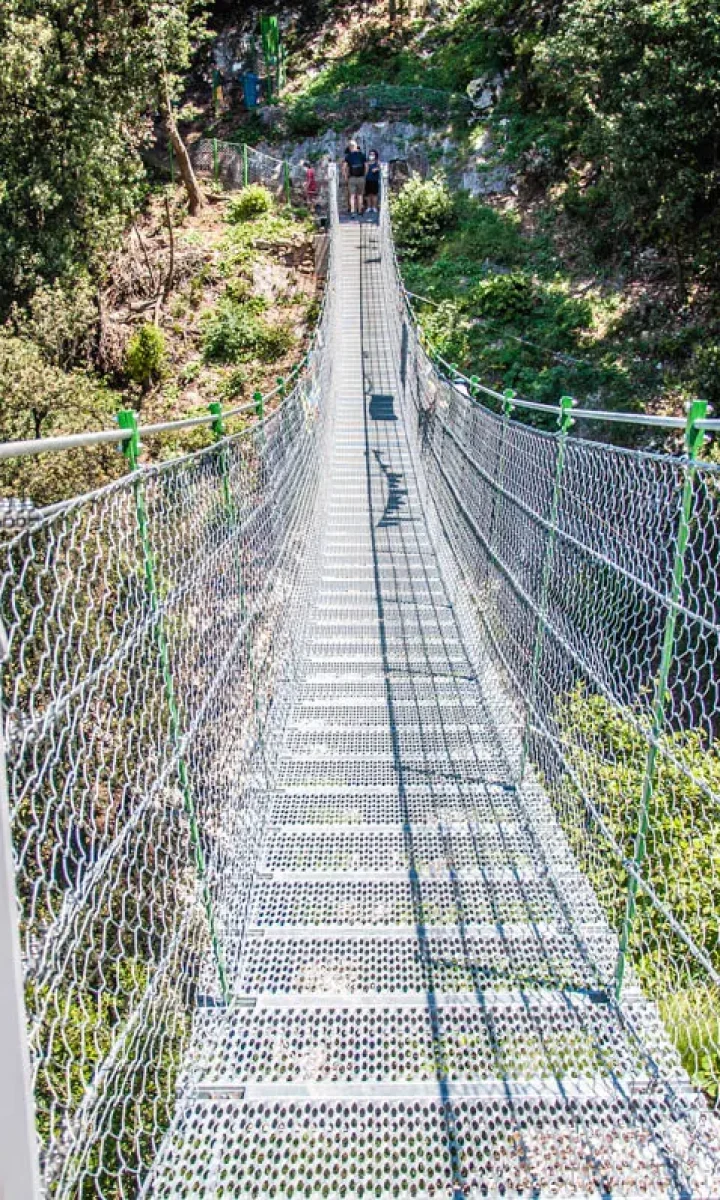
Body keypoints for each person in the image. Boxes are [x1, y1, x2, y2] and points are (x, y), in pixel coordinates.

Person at [342, 139, 366, 217]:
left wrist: (345, 177)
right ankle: (359, 211)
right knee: (360, 195)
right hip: (361, 177)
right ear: (356, 146)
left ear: (349, 147)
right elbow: (366, 166)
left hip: (352, 178)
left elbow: (344, 167)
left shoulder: (348, 156)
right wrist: (364, 175)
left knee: (352, 195)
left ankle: (352, 211)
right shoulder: (362, 155)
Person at [364, 149, 381, 219]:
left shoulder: (377, 162)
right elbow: (364, 171)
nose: (371, 156)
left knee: (374, 194)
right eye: (370, 154)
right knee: (368, 194)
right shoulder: (367, 163)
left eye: (373, 154)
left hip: (374, 180)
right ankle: (368, 207)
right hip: (367, 180)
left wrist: (377, 169)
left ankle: (374, 207)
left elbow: (381, 168)